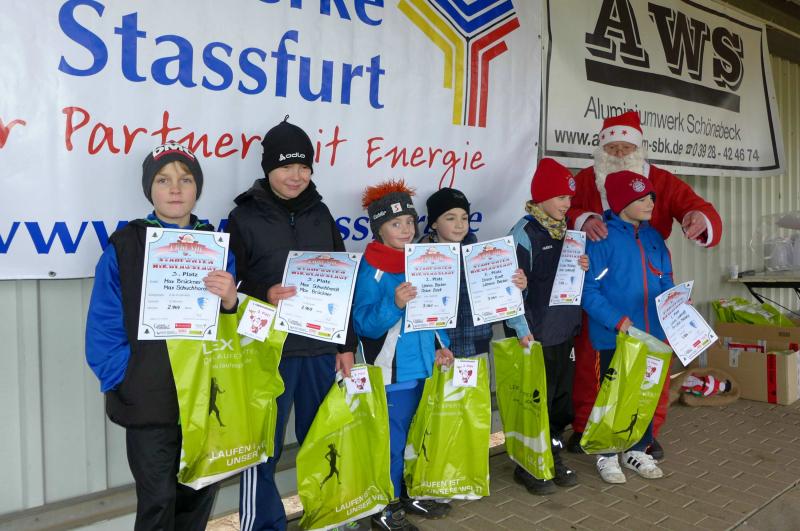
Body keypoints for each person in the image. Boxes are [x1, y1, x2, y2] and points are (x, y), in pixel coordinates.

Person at [85, 143, 238, 530]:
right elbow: (103, 323)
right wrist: (125, 376)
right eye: (163, 180)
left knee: (197, 496)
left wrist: (231, 302)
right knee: (158, 500)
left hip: (205, 396)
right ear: (149, 189)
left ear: (197, 188)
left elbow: (238, 330)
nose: (175, 189)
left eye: (185, 180)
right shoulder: (125, 246)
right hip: (149, 397)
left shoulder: (216, 246)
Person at [567, 111, 722, 459]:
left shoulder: (662, 181)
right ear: (601, 149)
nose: (620, 154)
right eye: (612, 147)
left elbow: (696, 207)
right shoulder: (586, 180)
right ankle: (587, 425)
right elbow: (563, 210)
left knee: (654, 360)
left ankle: (647, 432)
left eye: (627, 147)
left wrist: (698, 219)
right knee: (594, 361)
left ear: (640, 148)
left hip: (649, 284)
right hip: (601, 286)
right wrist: (583, 218)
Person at [227, 116, 357, 531]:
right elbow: (230, 285)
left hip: (319, 349)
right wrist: (263, 292)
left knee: (323, 440)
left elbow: (341, 283)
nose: (296, 176)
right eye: (286, 166)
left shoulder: (321, 213)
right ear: (268, 168)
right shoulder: (243, 217)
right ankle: (264, 525)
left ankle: (327, 519)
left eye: (304, 167)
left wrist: (346, 345)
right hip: (269, 352)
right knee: (262, 448)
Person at [353, 180, 455, 531]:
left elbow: (432, 312)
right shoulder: (372, 268)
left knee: (414, 436)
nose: (406, 229)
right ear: (379, 229)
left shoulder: (419, 261)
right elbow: (363, 323)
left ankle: (406, 492)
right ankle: (385, 506)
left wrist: (441, 346)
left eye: (409, 221)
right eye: (395, 224)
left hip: (421, 367)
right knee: (391, 442)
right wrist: (394, 303)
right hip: (391, 374)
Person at [581, 169, 674, 484]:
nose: (650, 203)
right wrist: (617, 320)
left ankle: (637, 449)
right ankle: (606, 454)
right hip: (615, 336)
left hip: (652, 336)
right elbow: (588, 291)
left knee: (644, 395)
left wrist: (676, 305)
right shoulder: (601, 239)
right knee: (612, 397)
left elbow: (666, 279)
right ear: (621, 202)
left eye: (651, 197)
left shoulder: (654, 237)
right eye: (642, 198)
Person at [505, 158, 589, 495]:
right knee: (533, 402)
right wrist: (519, 327)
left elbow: (566, 279)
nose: (567, 204)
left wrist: (583, 265)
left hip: (563, 330)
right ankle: (528, 466)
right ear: (541, 197)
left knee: (559, 403)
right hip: (534, 334)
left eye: (570, 198)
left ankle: (552, 456)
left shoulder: (569, 234)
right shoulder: (523, 234)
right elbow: (510, 287)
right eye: (561, 197)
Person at [418, 187, 531, 362]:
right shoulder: (419, 261)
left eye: (464, 218)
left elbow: (503, 299)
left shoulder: (483, 257)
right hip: (438, 351)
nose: (459, 224)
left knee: (480, 381)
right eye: (450, 218)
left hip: (478, 347)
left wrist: (518, 288)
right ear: (434, 223)